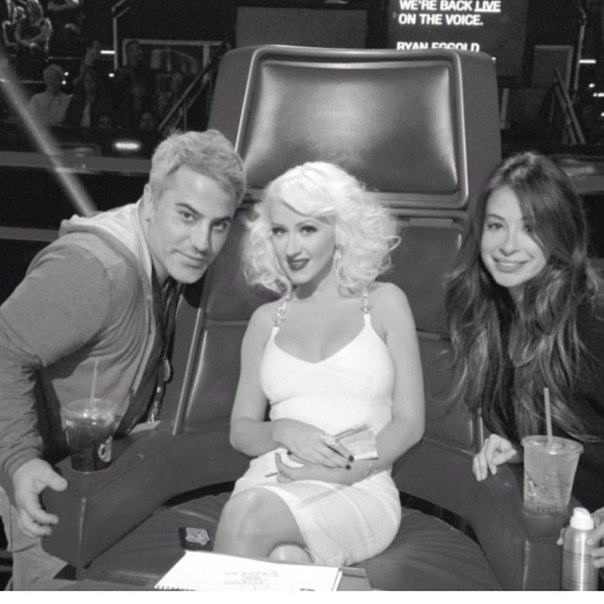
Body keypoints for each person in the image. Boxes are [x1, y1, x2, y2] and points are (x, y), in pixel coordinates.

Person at [0, 129, 246, 589]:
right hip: (46, 476)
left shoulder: (164, 259)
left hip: (96, 471)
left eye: (220, 224)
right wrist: (19, 461)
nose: (202, 242)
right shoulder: (96, 271)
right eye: (187, 215)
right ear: (150, 202)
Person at [213, 161, 425, 566]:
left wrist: (352, 468)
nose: (291, 248)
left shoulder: (385, 302)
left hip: (358, 484)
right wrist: (283, 430)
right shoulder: (265, 321)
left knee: (245, 516)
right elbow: (241, 432)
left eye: (307, 229)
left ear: (340, 229)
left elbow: (410, 422)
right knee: (286, 561)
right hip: (272, 476)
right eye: (280, 231)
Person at [444, 151, 604, 566]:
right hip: (557, 545)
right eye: (496, 225)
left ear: (560, 234)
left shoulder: (590, 321)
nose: (508, 245)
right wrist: (521, 449)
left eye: (530, 228)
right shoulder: (493, 316)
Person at [13, 0, 51, 79]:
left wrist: (30, 41)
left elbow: (44, 35)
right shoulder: (23, 21)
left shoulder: (44, 21)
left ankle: (33, 74)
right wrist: (20, 40)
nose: (29, 7)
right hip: (24, 44)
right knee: (23, 48)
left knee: (31, 47)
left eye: (31, 5)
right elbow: (17, 32)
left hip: (39, 46)